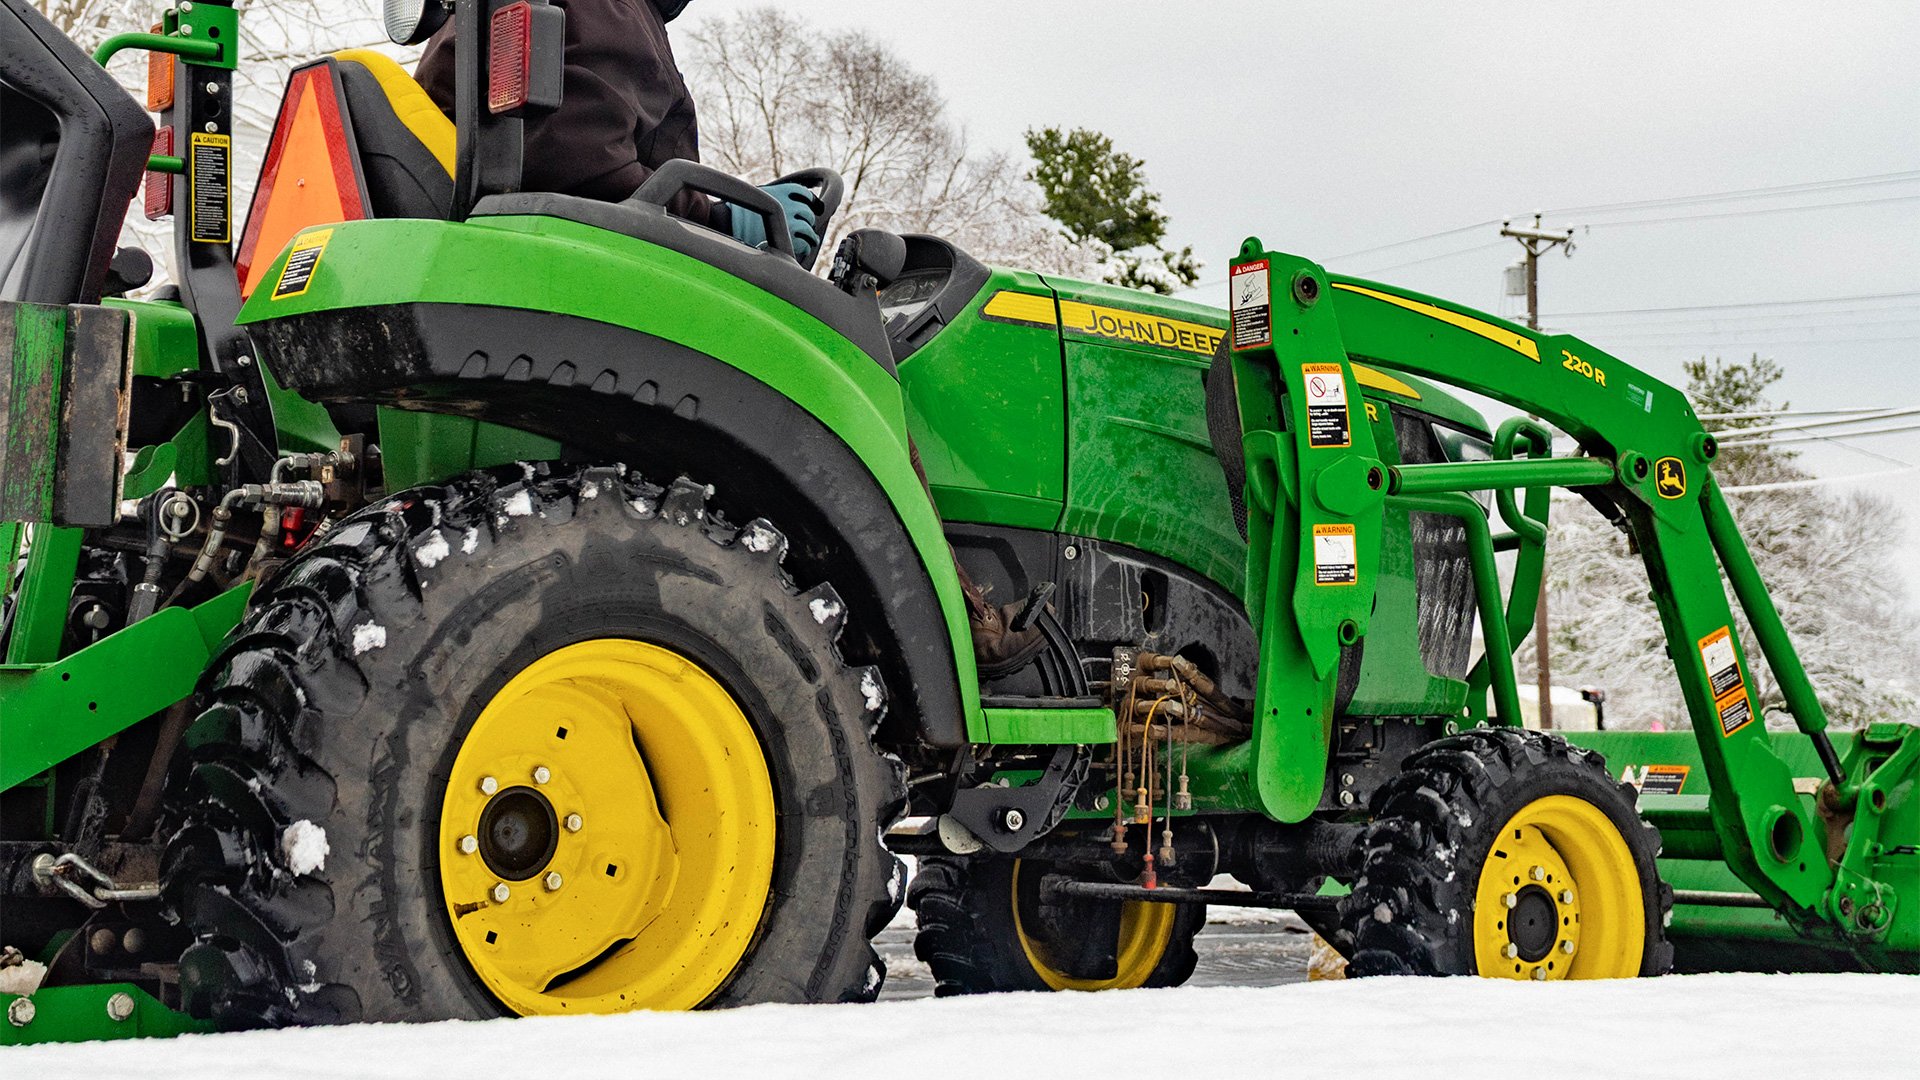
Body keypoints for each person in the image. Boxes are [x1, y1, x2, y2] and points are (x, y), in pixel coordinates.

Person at [418, 0, 1047, 676]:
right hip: (588, 283)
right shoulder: (610, 6)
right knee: (846, 369)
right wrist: (728, 217)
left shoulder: (472, 24)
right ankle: (963, 621)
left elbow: (561, 150)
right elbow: (582, 160)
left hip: (532, 266)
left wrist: (729, 214)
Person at [414, 0, 821, 262]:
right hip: (550, 260)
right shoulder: (613, 10)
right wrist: (719, 219)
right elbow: (577, 157)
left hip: (490, 239)